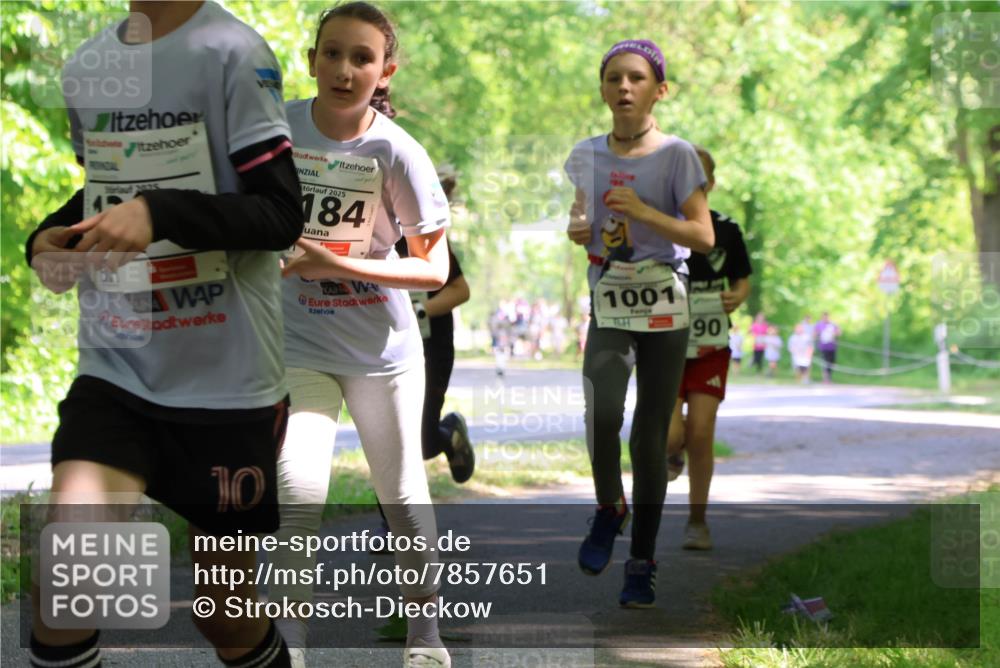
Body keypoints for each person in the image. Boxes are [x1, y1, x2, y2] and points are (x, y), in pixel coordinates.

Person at [25, 2, 303, 667]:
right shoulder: (88, 65)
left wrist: (161, 212)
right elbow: (106, 191)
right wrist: (49, 237)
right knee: (69, 581)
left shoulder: (232, 50)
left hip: (228, 381)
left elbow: (279, 214)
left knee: (226, 620)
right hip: (117, 366)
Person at [271, 4, 451, 667]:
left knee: (401, 495)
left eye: (362, 58)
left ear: (385, 72)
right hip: (298, 342)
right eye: (332, 53)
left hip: (382, 352)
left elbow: (433, 269)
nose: (344, 70)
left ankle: (425, 634)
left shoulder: (397, 151)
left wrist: (336, 264)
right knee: (297, 490)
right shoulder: (275, 130)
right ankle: (289, 644)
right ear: (311, 60)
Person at [565, 39, 714, 608]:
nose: (624, 87)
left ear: (660, 90)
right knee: (601, 410)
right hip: (610, 295)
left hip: (665, 301)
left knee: (650, 436)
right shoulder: (585, 154)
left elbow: (703, 235)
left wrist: (648, 214)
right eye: (613, 78)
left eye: (636, 78)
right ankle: (610, 507)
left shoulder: (678, 156)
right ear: (603, 90)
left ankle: (642, 560)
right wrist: (579, 227)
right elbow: (582, 215)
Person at [664, 146, 752, 550]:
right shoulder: (659, 226)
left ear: (711, 184)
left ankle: (697, 522)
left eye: (698, 178)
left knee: (701, 432)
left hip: (710, 346)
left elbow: (742, 279)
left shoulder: (727, 230)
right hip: (664, 346)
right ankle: (671, 452)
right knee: (670, 435)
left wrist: (738, 296)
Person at [814, 312, 841, 382]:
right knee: (824, 362)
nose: (825, 318)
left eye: (827, 317)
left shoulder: (833, 324)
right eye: (824, 317)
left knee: (832, 362)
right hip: (823, 347)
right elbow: (814, 333)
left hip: (832, 347)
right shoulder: (819, 324)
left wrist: (833, 334)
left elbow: (839, 332)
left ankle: (829, 376)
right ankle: (825, 378)